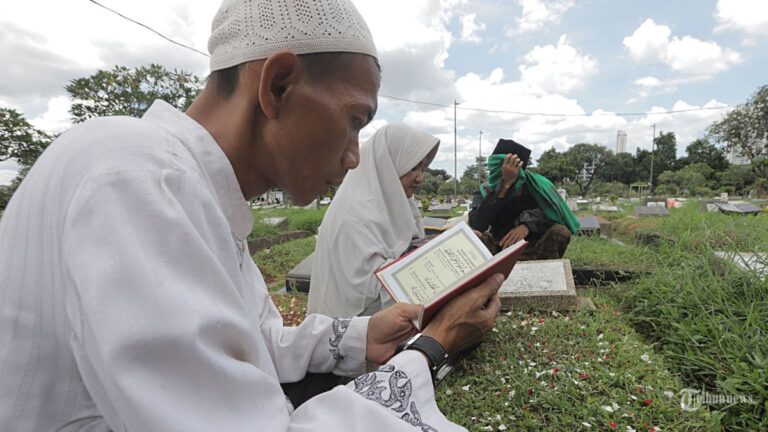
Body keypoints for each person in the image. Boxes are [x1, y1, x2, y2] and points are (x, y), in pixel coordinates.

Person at [0, 0, 504, 430]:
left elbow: (255, 339)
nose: (353, 157)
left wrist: (360, 337)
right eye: (354, 121)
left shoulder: (189, 185)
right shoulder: (139, 176)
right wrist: (432, 348)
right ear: (278, 85)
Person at [308, 124, 440, 318]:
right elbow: (368, 291)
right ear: (387, 165)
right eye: (413, 167)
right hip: (351, 331)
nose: (420, 178)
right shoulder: (356, 215)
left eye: (423, 168)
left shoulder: (395, 203)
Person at [469, 139, 580, 260]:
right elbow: (477, 224)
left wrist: (528, 226)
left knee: (560, 232)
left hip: (535, 247)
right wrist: (504, 187)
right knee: (474, 238)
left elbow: (556, 216)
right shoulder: (485, 190)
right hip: (499, 247)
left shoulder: (539, 188)